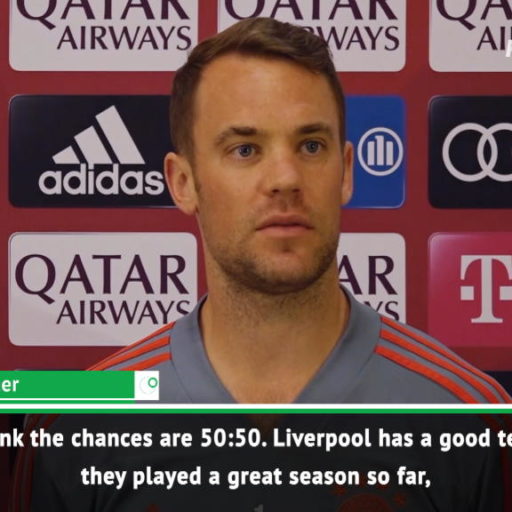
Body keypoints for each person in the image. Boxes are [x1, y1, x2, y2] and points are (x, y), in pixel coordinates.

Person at [88, 16, 509, 404]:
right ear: (182, 183)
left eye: (311, 146)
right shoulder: (88, 410)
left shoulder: (469, 411)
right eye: (245, 149)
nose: (286, 178)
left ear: (345, 172)